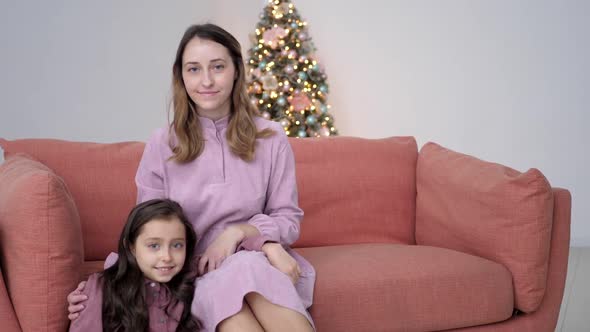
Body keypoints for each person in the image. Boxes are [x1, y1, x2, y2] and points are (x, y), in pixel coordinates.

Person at [67, 23, 316, 332]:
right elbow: (150, 230)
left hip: (256, 260)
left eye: (218, 67)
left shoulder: (272, 137)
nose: (207, 81)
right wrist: (99, 289)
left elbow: (287, 218)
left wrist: (240, 234)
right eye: (194, 69)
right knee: (232, 302)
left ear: (237, 70)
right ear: (181, 77)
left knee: (247, 268)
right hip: (195, 274)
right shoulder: (162, 144)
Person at [69, 198, 200, 331]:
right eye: (154, 245)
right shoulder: (101, 287)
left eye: (177, 245)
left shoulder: (192, 279)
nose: (167, 257)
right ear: (131, 247)